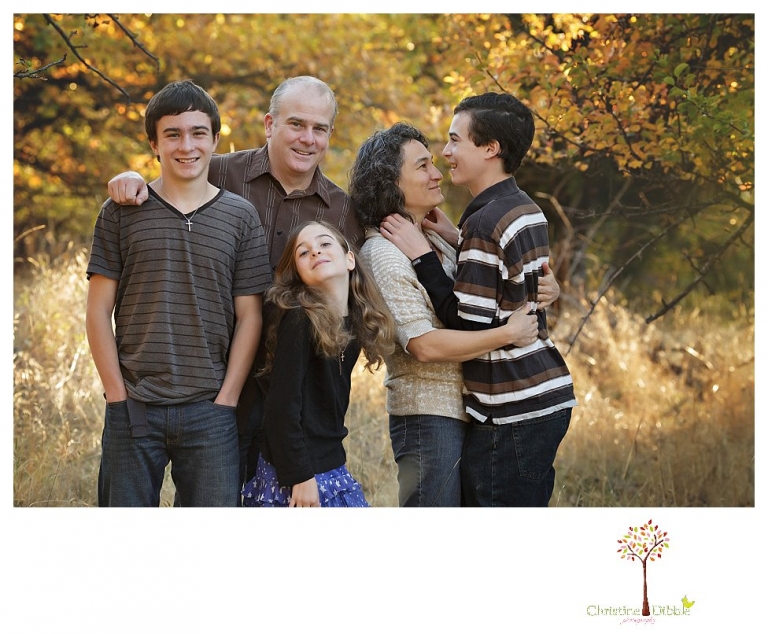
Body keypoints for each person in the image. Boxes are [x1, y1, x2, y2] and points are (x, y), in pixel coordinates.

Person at [106, 76, 364, 492]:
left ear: (330, 134)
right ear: (269, 124)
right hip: (210, 382)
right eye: (296, 124)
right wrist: (130, 177)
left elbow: (355, 299)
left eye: (320, 128)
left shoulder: (343, 212)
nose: (308, 138)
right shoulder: (221, 171)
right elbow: (171, 173)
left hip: (292, 394)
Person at [349, 122, 560, 507]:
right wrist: (507, 334)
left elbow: (483, 290)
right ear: (390, 182)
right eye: (422, 166)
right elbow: (424, 346)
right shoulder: (383, 254)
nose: (437, 173)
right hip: (429, 417)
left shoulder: (431, 237)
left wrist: (546, 286)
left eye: (433, 162)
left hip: (473, 409)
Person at [86, 79, 272, 506]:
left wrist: (227, 400)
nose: (186, 146)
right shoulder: (120, 213)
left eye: (197, 133)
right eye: (172, 134)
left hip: (211, 412)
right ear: (154, 143)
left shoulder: (240, 217)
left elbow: (250, 316)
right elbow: (97, 312)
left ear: (215, 139)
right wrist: (117, 397)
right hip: (134, 407)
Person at [241, 220, 395, 507]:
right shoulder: (300, 318)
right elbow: (281, 407)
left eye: (325, 243)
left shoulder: (353, 323)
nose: (315, 251)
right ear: (298, 274)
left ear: (350, 259)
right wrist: (300, 475)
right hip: (296, 473)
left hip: (330, 464)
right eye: (303, 252)